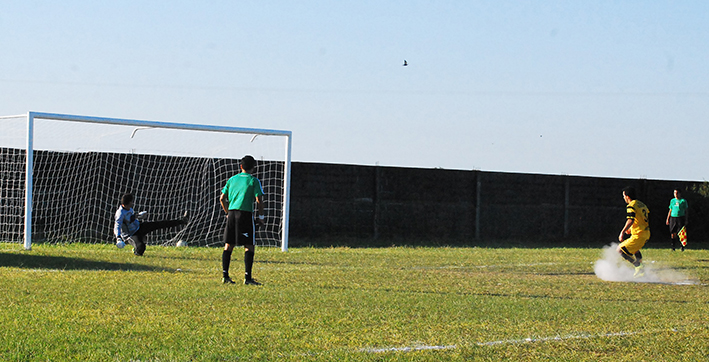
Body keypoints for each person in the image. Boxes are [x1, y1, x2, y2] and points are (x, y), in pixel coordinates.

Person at [219, 155, 265, 285]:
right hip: (245, 215)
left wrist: (227, 213)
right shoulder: (253, 181)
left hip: (232, 214)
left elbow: (222, 198)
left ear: (241, 166)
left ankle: (225, 276)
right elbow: (259, 200)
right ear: (253, 167)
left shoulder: (232, 179)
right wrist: (261, 217)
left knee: (229, 245)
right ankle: (247, 278)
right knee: (249, 245)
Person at [114, 193, 188, 256]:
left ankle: (182, 221)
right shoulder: (120, 213)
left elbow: (130, 219)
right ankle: (136, 250)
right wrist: (118, 238)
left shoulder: (129, 208)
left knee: (159, 224)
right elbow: (117, 225)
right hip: (130, 235)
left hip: (138, 227)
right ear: (128, 203)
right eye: (131, 202)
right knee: (141, 247)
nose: (132, 203)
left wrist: (138, 216)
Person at [617, 186, 650, 278]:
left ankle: (638, 267)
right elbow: (641, 219)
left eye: (623, 196)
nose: (623, 198)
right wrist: (631, 229)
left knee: (620, 250)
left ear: (627, 196)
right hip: (645, 233)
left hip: (639, 235)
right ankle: (642, 271)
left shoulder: (631, 205)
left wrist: (622, 232)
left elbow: (630, 220)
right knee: (635, 250)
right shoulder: (642, 204)